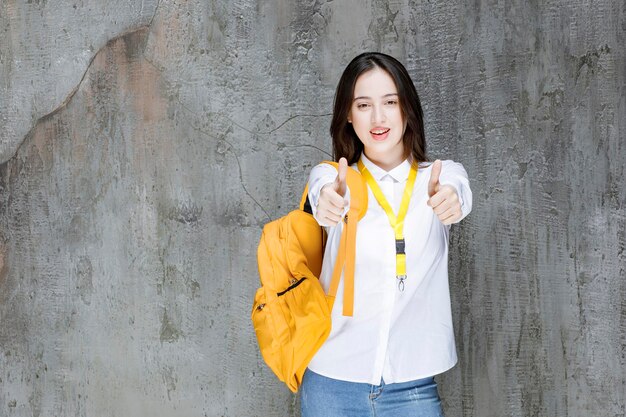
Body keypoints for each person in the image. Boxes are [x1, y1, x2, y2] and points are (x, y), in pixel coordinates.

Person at [300, 52, 473, 416]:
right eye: (363, 105)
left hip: (411, 388)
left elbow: (457, 190)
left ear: (406, 108)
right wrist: (328, 201)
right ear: (348, 115)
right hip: (332, 383)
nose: (378, 118)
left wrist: (452, 200)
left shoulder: (438, 178)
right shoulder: (334, 178)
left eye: (390, 102)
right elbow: (323, 190)